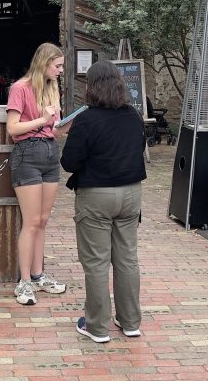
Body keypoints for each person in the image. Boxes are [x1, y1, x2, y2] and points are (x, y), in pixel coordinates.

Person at [60, 60, 147, 343]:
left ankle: (97, 326)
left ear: (92, 87)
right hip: (131, 193)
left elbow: (69, 162)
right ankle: (130, 321)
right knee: (127, 259)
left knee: (97, 263)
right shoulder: (133, 116)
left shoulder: (86, 119)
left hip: (96, 195)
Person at [6, 43, 69, 305]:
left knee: (42, 220)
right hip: (27, 154)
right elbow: (13, 128)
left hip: (51, 153)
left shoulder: (53, 89)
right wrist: (43, 121)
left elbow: (53, 131)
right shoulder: (20, 88)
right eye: (58, 66)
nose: (61, 71)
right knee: (31, 221)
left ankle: (38, 275)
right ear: (44, 63)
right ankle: (24, 283)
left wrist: (64, 126)